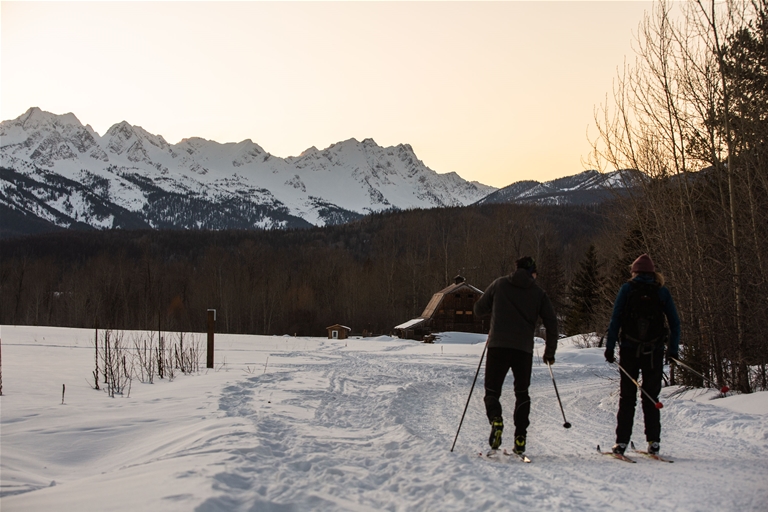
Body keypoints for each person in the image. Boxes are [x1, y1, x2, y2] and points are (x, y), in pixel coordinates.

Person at [473, 256, 559, 454]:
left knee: (492, 391)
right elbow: (552, 323)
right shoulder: (538, 293)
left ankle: (496, 419)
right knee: (522, 393)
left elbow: (478, 309)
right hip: (523, 350)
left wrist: (494, 309)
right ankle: (520, 437)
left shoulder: (500, 284)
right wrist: (549, 352)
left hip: (497, 346)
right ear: (531, 272)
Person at [604, 253, 681, 456]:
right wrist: (673, 350)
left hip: (630, 350)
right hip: (653, 352)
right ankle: (654, 442)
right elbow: (674, 322)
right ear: (653, 272)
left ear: (634, 272)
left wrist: (610, 348)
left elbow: (616, 319)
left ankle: (621, 442)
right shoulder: (661, 292)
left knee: (627, 398)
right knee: (650, 396)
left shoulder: (627, 289)